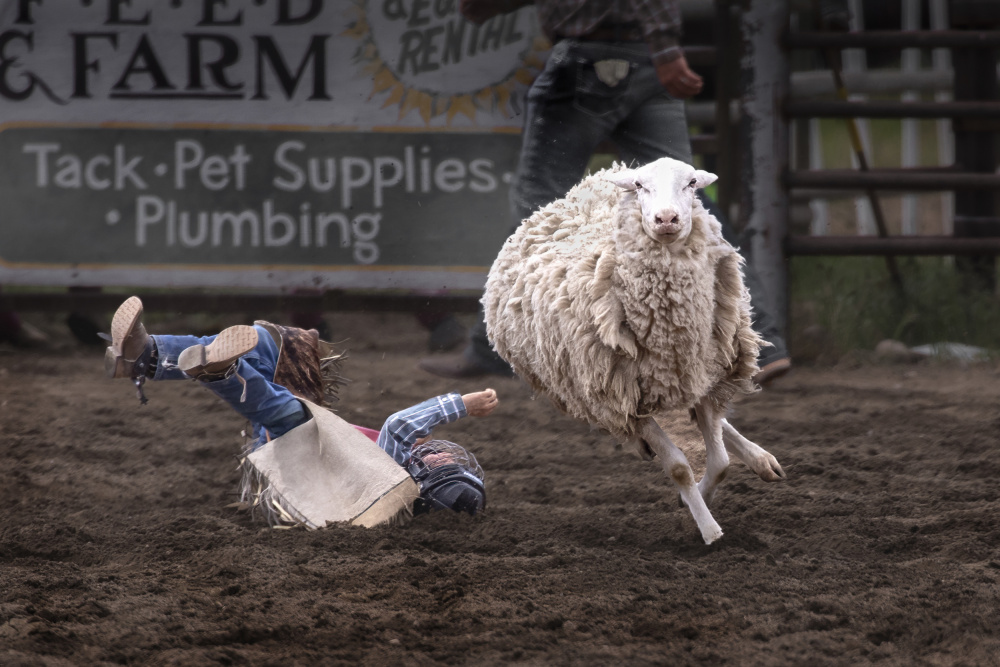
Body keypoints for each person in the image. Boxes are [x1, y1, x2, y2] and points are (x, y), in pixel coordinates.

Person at [418, 0, 791, 385]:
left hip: (588, 60)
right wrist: (660, 50)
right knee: (686, 197)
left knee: (537, 204)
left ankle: (492, 348)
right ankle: (762, 343)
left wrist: (665, 49)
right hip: (645, 61)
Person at [103, 296, 497, 522]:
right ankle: (147, 355)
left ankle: (219, 371)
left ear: (428, 482)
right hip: (299, 466)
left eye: (445, 466)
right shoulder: (394, 491)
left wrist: (460, 403)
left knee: (290, 413)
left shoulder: (398, 484)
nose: (445, 456)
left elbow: (400, 424)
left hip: (296, 454)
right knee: (270, 343)